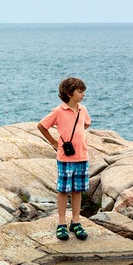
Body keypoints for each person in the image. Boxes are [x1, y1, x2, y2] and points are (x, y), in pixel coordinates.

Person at [37, 77, 91, 241]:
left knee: (77, 190)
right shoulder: (59, 111)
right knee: (63, 190)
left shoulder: (82, 110)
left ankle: (76, 221)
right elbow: (42, 126)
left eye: (83, 91)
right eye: (80, 92)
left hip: (82, 156)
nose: (83, 94)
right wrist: (54, 142)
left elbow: (86, 124)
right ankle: (61, 223)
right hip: (65, 158)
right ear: (69, 93)